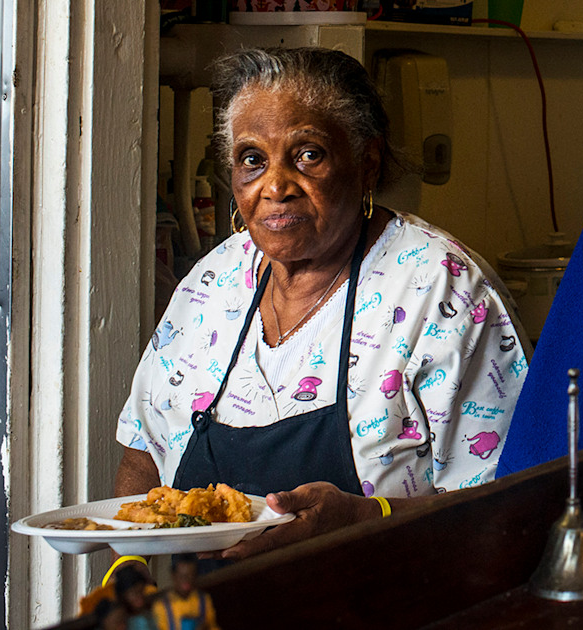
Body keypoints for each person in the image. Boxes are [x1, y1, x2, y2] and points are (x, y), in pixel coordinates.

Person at [114, 47, 528, 559]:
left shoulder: (444, 292)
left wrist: (362, 518)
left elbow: (512, 510)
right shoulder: (211, 284)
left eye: (308, 154)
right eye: (252, 161)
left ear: (367, 164)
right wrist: (127, 567)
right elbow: (144, 453)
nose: (275, 187)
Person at [152, 554, 219, 630]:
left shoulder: (203, 600)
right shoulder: (162, 605)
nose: (186, 580)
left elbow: (213, 625)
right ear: (173, 576)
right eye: (182, 576)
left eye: (191, 575)